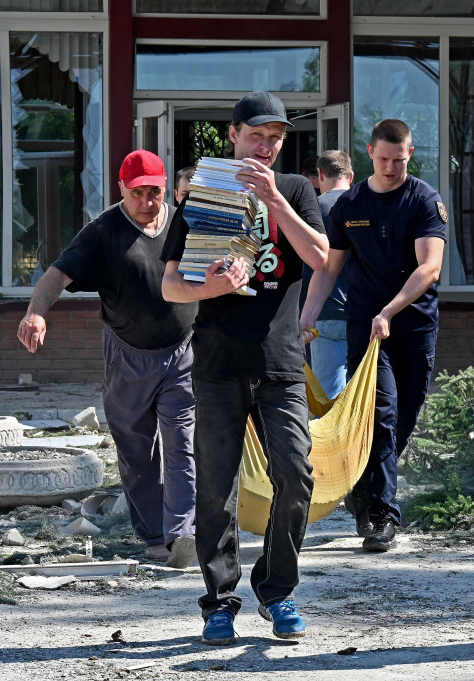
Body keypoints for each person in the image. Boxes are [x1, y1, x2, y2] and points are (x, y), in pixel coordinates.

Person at [161, 90, 327, 646]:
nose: (267, 145)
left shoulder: (298, 189)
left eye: (276, 136)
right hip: (217, 362)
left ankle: (277, 591)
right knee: (216, 489)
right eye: (257, 135)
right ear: (233, 135)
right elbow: (170, 283)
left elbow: (321, 257)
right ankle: (219, 600)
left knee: (297, 476)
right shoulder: (208, 190)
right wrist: (214, 285)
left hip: (280, 361)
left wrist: (277, 202)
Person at [16, 149, 199, 570]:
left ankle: (182, 535)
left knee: (182, 444)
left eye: (155, 192)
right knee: (136, 451)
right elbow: (56, 275)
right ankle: (154, 536)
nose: (148, 202)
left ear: (166, 188)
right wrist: (36, 313)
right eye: (138, 194)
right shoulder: (102, 232)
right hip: (128, 356)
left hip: (182, 350)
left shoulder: (185, 222)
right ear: (122, 189)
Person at [301, 119, 447, 553]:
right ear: (369, 152)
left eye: (398, 160)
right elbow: (329, 267)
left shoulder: (423, 200)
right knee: (380, 414)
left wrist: (391, 310)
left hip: (414, 323)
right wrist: (306, 318)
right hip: (366, 325)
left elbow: (430, 267)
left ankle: (363, 489)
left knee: (403, 417)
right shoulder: (351, 204)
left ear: (410, 153)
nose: (390, 167)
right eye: (383, 159)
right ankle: (383, 515)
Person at [298, 149, 354, 398]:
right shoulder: (364, 208)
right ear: (350, 176)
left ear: (320, 175)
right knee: (361, 403)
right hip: (363, 314)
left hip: (322, 313)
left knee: (327, 401)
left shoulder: (312, 210)